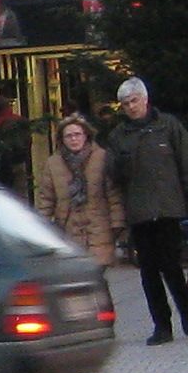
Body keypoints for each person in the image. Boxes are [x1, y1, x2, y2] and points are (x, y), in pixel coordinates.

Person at [104, 75, 188, 343]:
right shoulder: (118, 136)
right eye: (125, 103)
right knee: (148, 272)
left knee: (171, 266)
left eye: (134, 101)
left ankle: (187, 311)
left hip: (168, 207)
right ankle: (162, 325)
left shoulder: (168, 126)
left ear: (145, 99)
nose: (130, 107)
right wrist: (120, 166)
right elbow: (111, 174)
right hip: (139, 212)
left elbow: (187, 163)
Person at [31, 111, 123, 264]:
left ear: (86, 135)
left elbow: (113, 194)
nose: (74, 139)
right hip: (68, 231)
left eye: (77, 134)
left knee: (97, 276)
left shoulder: (101, 157)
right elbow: (46, 200)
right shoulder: (53, 164)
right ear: (62, 139)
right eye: (69, 136)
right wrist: (42, 228)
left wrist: (117, 224)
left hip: (99, 230)